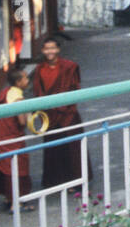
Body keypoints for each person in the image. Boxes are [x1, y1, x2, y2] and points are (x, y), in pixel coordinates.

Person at [31, 36, 89, 191]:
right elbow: (38, 92)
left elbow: (75, 89)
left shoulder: (69, 67)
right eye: (47, 49)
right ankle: (56, 181)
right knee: (53, 148)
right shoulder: (39, 69)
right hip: (50, 115)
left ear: (58, 50)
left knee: (72, 146)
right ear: (43, 51)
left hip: (68, 113)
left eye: (53, 48)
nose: (50, 51)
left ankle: (77, 181)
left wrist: (67, 108)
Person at [0, 66, 32, 209]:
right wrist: (29, 113)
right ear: (19, 82)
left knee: (6, 165)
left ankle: (9, 199)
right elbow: (21, 122)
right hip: (11, 136)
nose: (28, 80)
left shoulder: (6, 92)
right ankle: (17, 203)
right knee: (16, 166)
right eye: (26, 78)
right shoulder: (18, 97)